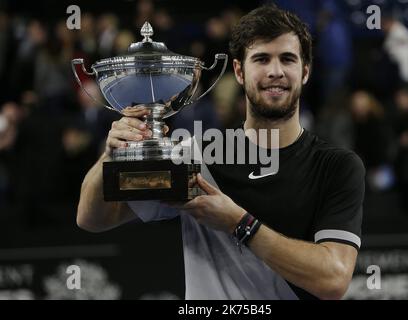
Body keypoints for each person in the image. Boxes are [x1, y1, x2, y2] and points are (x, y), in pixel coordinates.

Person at [77, 5, 365, 300]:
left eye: (287, 59)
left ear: (305, 72)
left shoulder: (336, 166)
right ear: (239, 71)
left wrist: (239, 224)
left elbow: (333, 280)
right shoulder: (194, 157)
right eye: (262, 59)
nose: (275, 71)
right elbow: (92, 218)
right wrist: (110, 155)